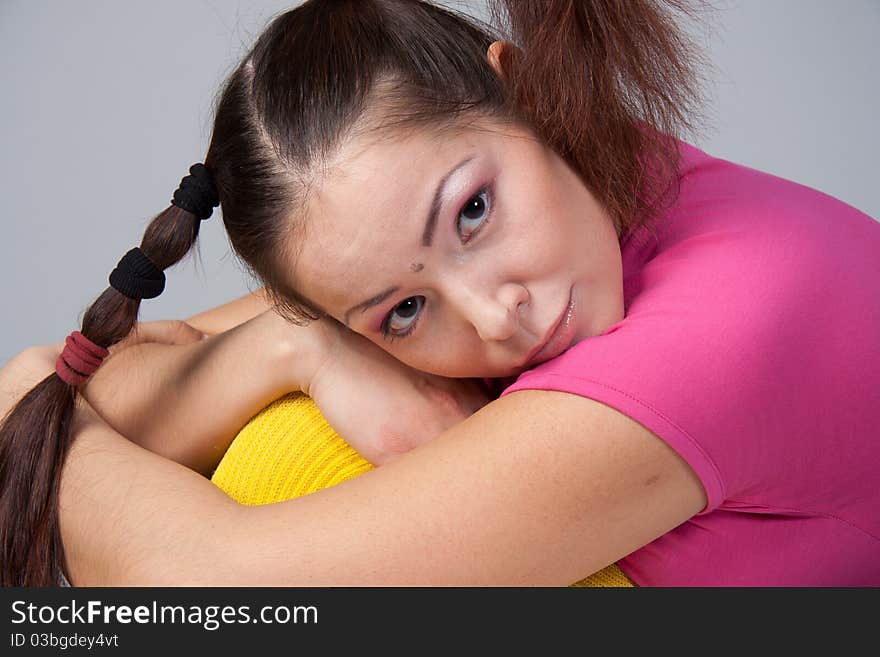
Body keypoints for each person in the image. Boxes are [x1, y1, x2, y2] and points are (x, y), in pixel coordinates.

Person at [1, 0, 878, 587]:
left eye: (473, 212)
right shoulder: (578, 181)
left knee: (289, 458)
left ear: (525, 93)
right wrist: (294, 348)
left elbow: (210, 596)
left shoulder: (729, 324)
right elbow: (110, 391)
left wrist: (20, 399)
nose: (500, 316)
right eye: (405, 312)